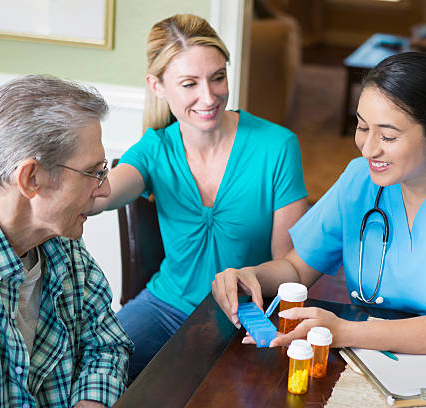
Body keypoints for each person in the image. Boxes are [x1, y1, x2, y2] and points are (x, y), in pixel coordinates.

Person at [212, 52, 426, 355]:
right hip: (376, 355)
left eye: (387, 136)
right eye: (362, 127)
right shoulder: (360, 179)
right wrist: (247, 275)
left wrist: (343, 332)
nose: (368, 149)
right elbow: (297, 268)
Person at [90, 14, 308, 380]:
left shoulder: (277, 146)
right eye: (189, 84)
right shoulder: (154, 149)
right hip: (165, 307)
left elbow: (289, 266)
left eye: (218, 77)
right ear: (157, 86)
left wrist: (245, 277)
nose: (209, 97)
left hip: (250, 312)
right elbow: (104, 194)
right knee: (97, 370)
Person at [0, 75, 133, 407]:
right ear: (31, 178)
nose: (105, 189)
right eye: (93, 171)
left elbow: (107, 344)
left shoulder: (61, 241)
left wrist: (90, 402)